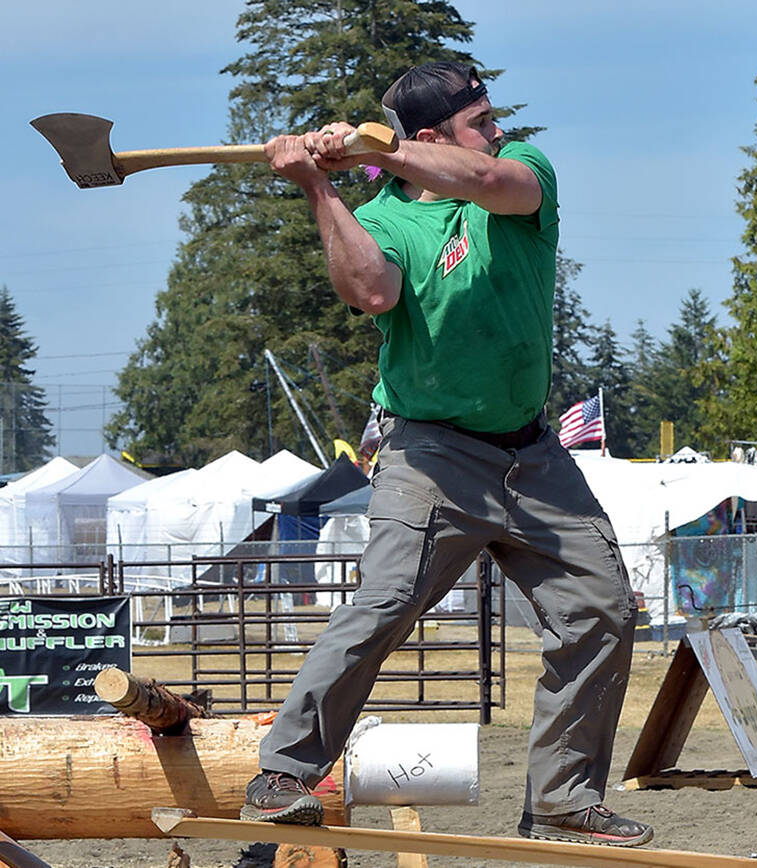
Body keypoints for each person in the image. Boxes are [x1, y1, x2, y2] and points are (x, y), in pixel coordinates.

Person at [245, 62, 651, 848]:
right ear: (429, 135)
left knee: (604, 608)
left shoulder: (520, 171)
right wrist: (318, 188)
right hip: (429, 453)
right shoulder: (388, 218)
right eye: (478, 120)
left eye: (492, 116)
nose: (497, 130)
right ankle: (285, 771)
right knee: (388, 599)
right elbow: (370, 292)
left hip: (531, 454)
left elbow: (491, 177)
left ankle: (564, 802)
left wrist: (382, 152)